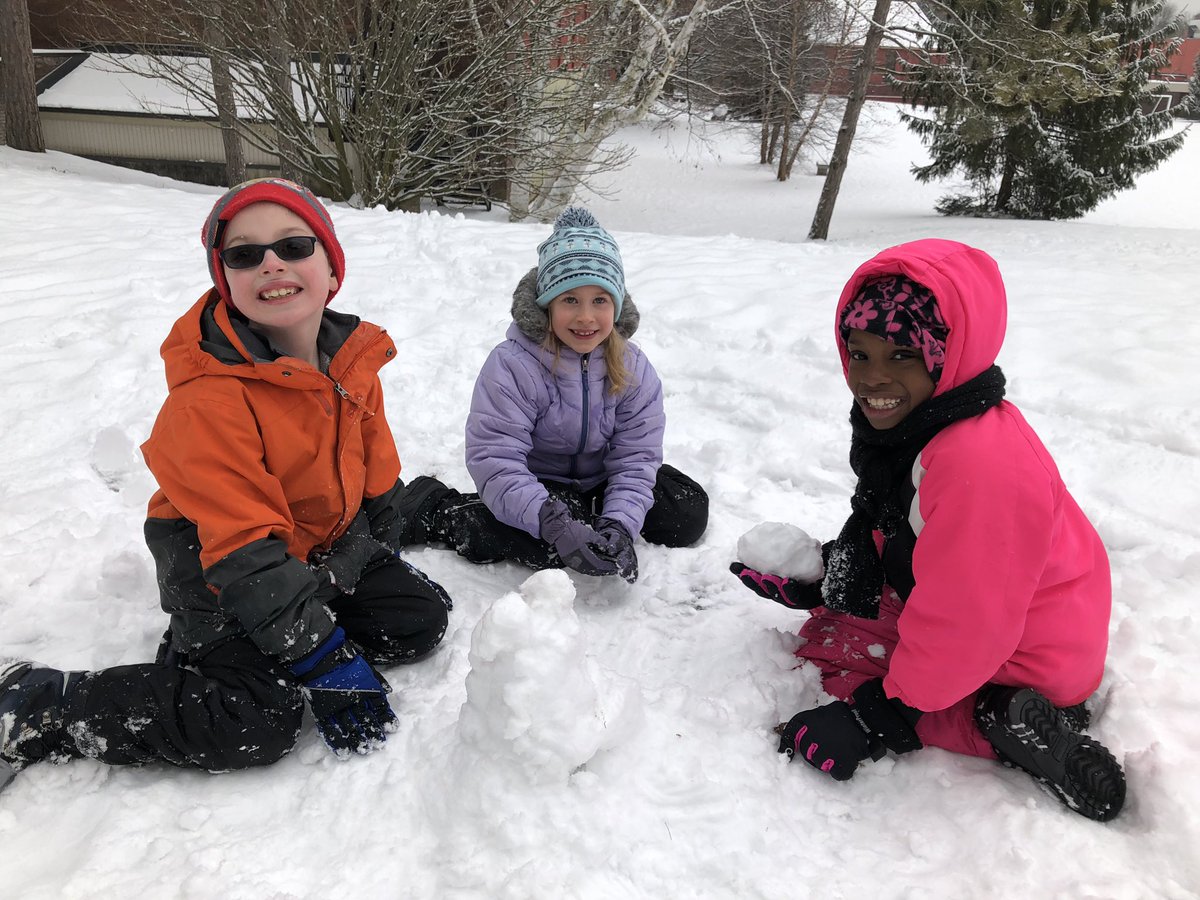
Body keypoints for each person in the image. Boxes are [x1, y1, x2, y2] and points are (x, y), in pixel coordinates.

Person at [0, 178, 450, 791]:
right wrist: (321, 656)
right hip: (219, 571)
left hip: (308, 548)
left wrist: (375, 544)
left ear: (330, 267)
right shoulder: (208, 400)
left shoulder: (349, 362)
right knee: (256, 720)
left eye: (293, 246)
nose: (271, 263)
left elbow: (376, 471)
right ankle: (38, 705)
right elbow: (243, 550)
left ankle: (288, 625)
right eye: (244, 254)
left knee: (417, 617)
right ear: (227, 279)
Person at [730, 239, 1126, 822]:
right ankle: (974, 699)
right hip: (1007, 618)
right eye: (859, 355)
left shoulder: (979, 463)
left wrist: (874, 718)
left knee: (840, 661)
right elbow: (907, 535)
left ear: (948, 355)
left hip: (1026, 651)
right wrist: (833, 578)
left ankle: (1005, 721)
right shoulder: (928, 426)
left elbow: (967, 622)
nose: (872, 379)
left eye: (901, 356)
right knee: (835, 624)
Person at [391, 207, 708, 583]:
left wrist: (620, 523)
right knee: (547, 546)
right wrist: (550, 520)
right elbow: (496, 458)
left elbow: (636, 457)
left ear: (618, 304)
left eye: (600, 300)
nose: (586, 317)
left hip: (599, 482)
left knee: (685, 513)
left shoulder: (633, 366)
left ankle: (592, 519)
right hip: (538, 482)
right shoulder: (513, 364)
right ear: (547, 306)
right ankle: (438, 508)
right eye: (570, 300)